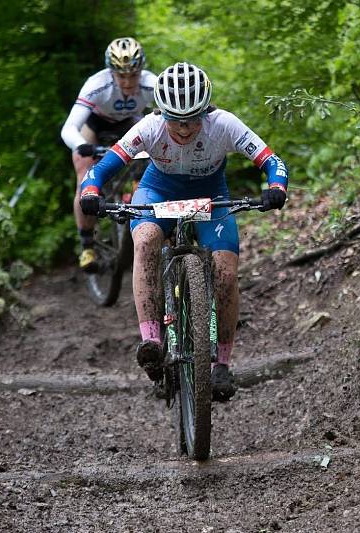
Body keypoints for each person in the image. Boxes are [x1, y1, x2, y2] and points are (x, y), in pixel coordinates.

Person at [79, 62, 288, 400]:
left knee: (225, 271)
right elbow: (101, 169)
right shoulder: (149, 127)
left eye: (193, 119)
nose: (186, 128)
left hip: (211, 196)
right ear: (163, 113)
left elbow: (272, 161)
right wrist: (90, 193)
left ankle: (221, 364)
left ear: (205, 112)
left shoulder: (223, 124)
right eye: (176, 120)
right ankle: (151, 340)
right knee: (145, 241)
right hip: (158, 190)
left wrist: (276, 186)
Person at [60, 37, 157, 272]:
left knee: (155, 155)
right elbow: (69, 128)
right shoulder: (97, 84)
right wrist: (82, 146)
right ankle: (87, 246)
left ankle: (136, 199)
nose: (127, 81)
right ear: (110, 72)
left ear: (141, 71)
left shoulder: (151, 83)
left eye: (133, 75)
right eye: (121, 76)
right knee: (85, 175)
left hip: (129, 124)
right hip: (95, 125)